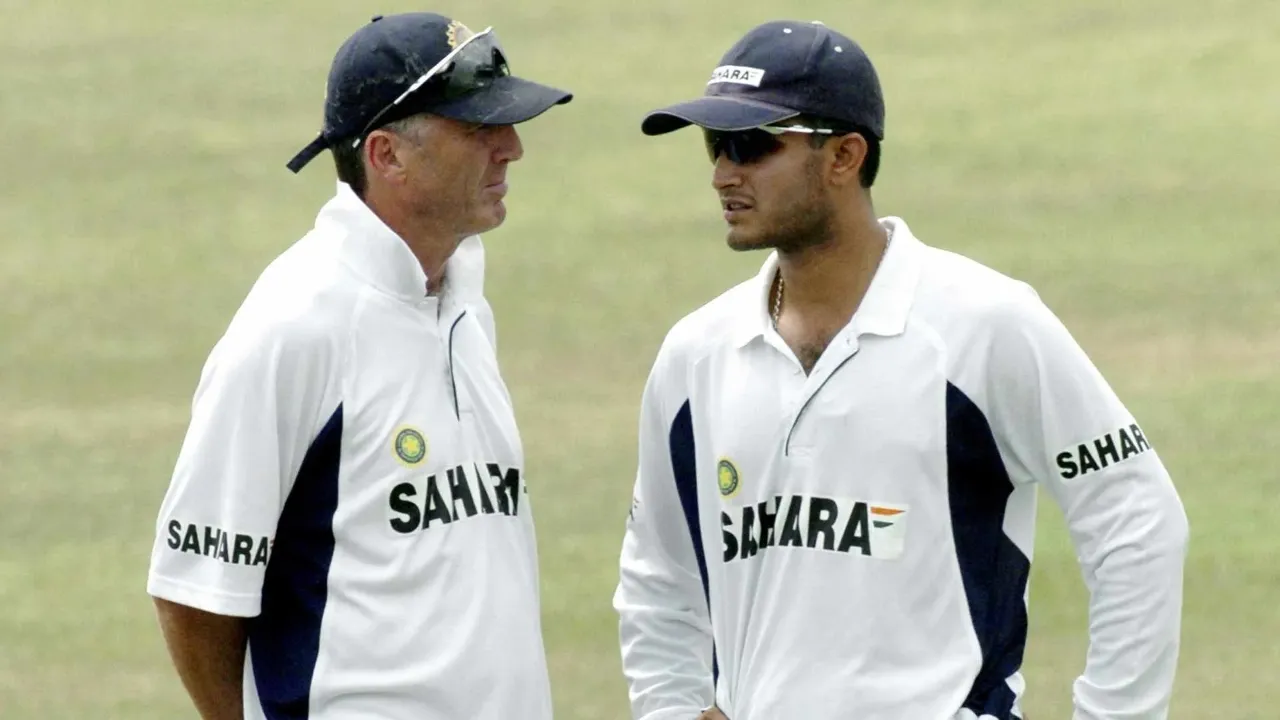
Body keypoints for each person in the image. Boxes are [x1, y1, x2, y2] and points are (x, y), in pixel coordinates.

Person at [613, 19, 1189, 720]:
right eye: (714, 146)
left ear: (845, 156)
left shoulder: (986, 324)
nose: (722, 173)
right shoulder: (694, 357)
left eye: (750, 145)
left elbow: (1136, 517)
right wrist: (672, 710)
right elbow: (658, 577)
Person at [146, 12, 571, 720]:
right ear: (386, 155)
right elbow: (195, 590)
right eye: (479, 129)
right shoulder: (295, 325)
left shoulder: (463, 304)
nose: (513, 148)